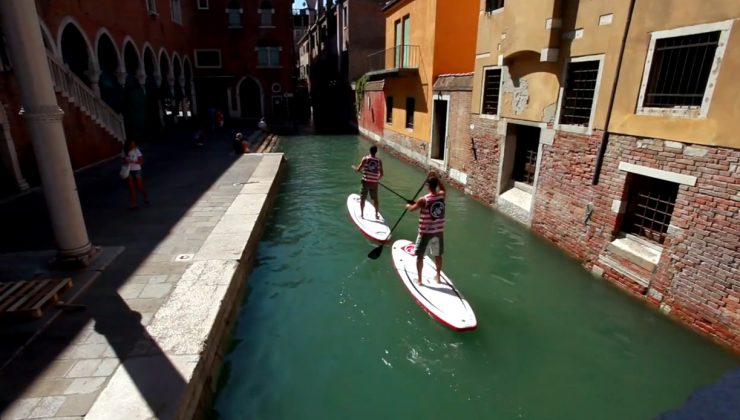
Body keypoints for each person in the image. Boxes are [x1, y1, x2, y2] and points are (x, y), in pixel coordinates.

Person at [406, 172, 446, 286]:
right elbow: (443, 188)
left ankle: (419, 280)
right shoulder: (442, 195)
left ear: (428, 186)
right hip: (438, 232)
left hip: (425, 233)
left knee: (419, 256)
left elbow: (412, 209)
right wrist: (437, 179)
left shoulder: (423, 200)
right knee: (438, 255)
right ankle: (438, 277)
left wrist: (408, 205)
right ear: (436, 185)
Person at [352, 145, 383, 219]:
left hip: (366, 182)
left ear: (369, 151)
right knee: (375, 199)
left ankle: (362, 214)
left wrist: (355, 168)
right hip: (374, 183)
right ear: (376, 152)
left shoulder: (365, 159)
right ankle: (376, 215)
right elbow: (381, 174)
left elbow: (358, 169)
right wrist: (376, 179)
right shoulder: (379, 161)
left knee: (363, 198)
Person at [122, 139, 149, 210]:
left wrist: (133, 161)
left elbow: (141, 161)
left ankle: (145, 195)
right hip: (128, 171)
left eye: (134, 144)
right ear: (128, 145)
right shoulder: (124, 151)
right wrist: (126, 162)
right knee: (131, 188)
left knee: (139, 186)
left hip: (137, 170)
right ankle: (134, 204)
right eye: (131, 144)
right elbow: (123, 162)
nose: (133, 145)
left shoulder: (137, 151)